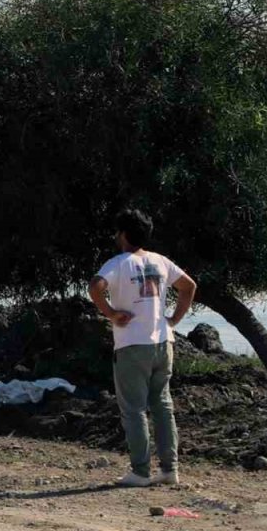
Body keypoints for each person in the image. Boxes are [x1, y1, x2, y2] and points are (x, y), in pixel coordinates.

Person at [88, 208, 196, 488]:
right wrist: (173, 319)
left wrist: (111, 313)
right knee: (163, 406)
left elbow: (95, 287)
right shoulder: (160, 261)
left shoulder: (118, 263)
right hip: (163, 341)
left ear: (123, 235)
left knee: (134, 409)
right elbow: (189, 286)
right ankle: (170, 469)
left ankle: (140, 471)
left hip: (132, 344)